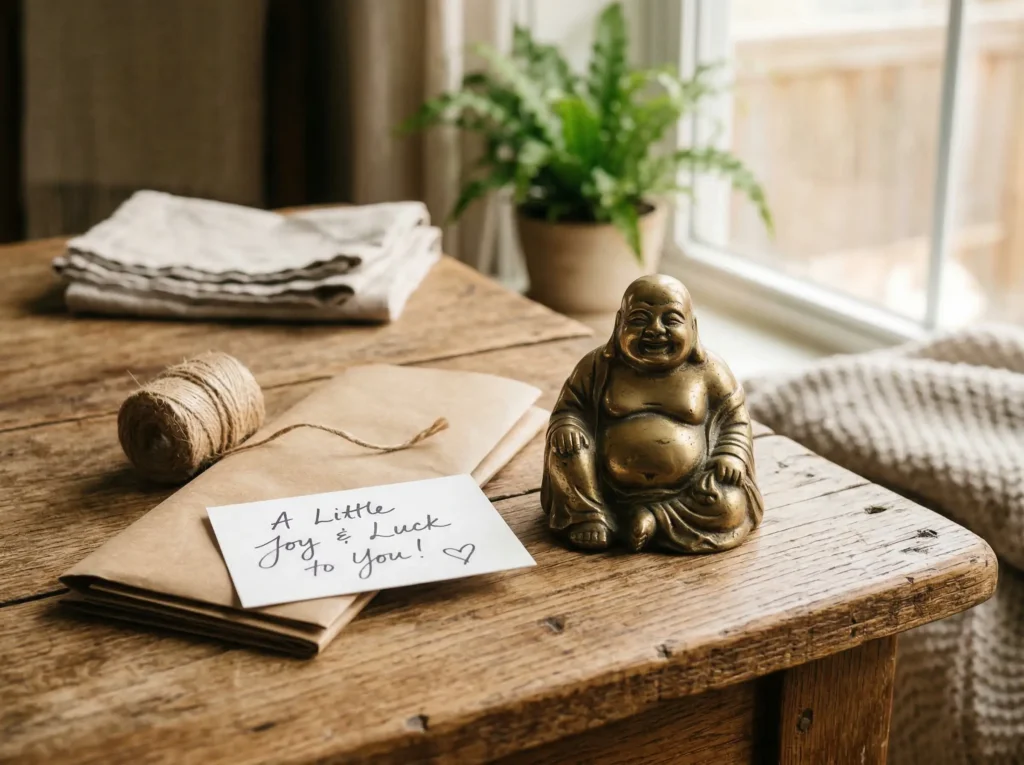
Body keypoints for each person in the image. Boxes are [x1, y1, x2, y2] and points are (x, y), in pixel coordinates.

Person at [541, 274, 763, 553]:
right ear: (618, 323)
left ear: (692, 327)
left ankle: (651, 517)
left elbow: (734, 418)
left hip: (689, 492)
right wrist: (567, 426)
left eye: (670, 319)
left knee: (729, 505)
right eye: (639, 319)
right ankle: (589, 515)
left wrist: (730, 454)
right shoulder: (598, 366)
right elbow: (570, 408)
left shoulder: (710, 371)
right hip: (605, 487)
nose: (655, 330)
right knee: (566, 448)